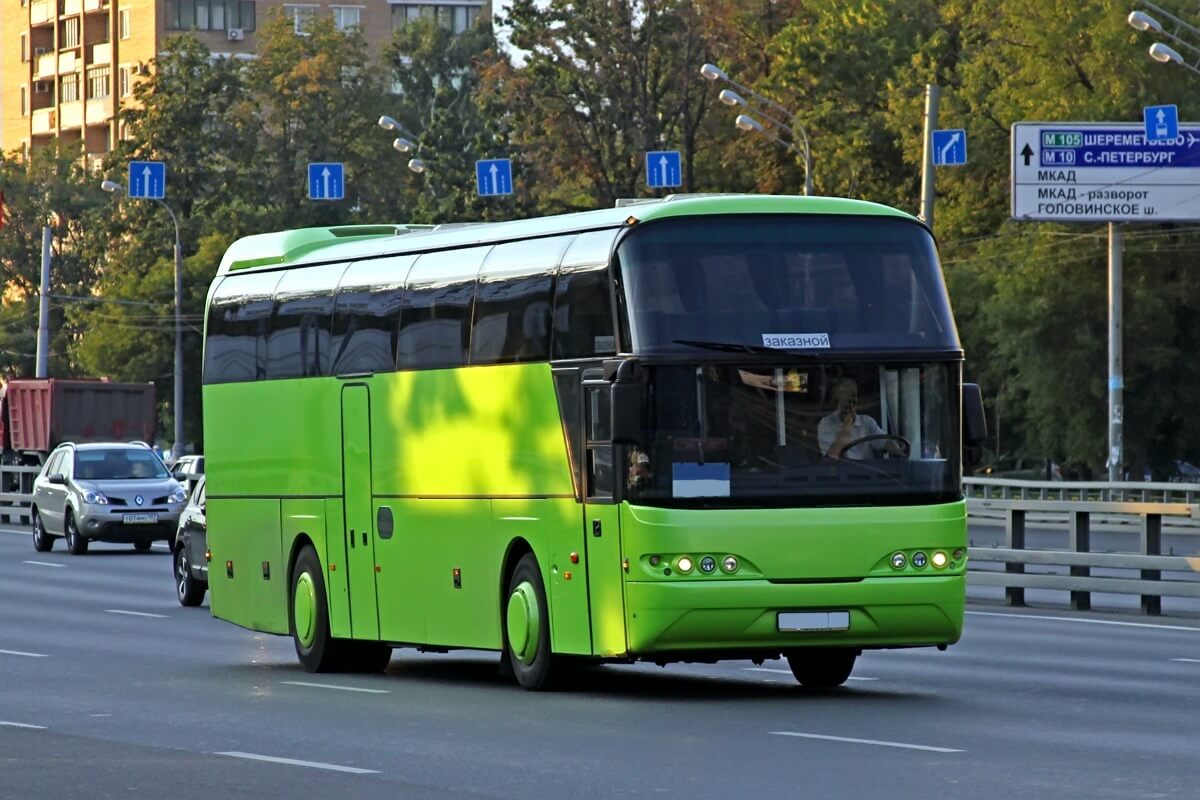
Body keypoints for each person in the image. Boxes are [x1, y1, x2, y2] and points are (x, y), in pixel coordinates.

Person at [818, 378, 908, 460]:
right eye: (845, 396)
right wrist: (846, 428)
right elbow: (830, 459)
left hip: (867, 473)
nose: (851, 400)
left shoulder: (866, 422)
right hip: (841, 474)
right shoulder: (826, 424)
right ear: (836, 398)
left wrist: (897, 450)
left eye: (854, 396)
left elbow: (884, 442)